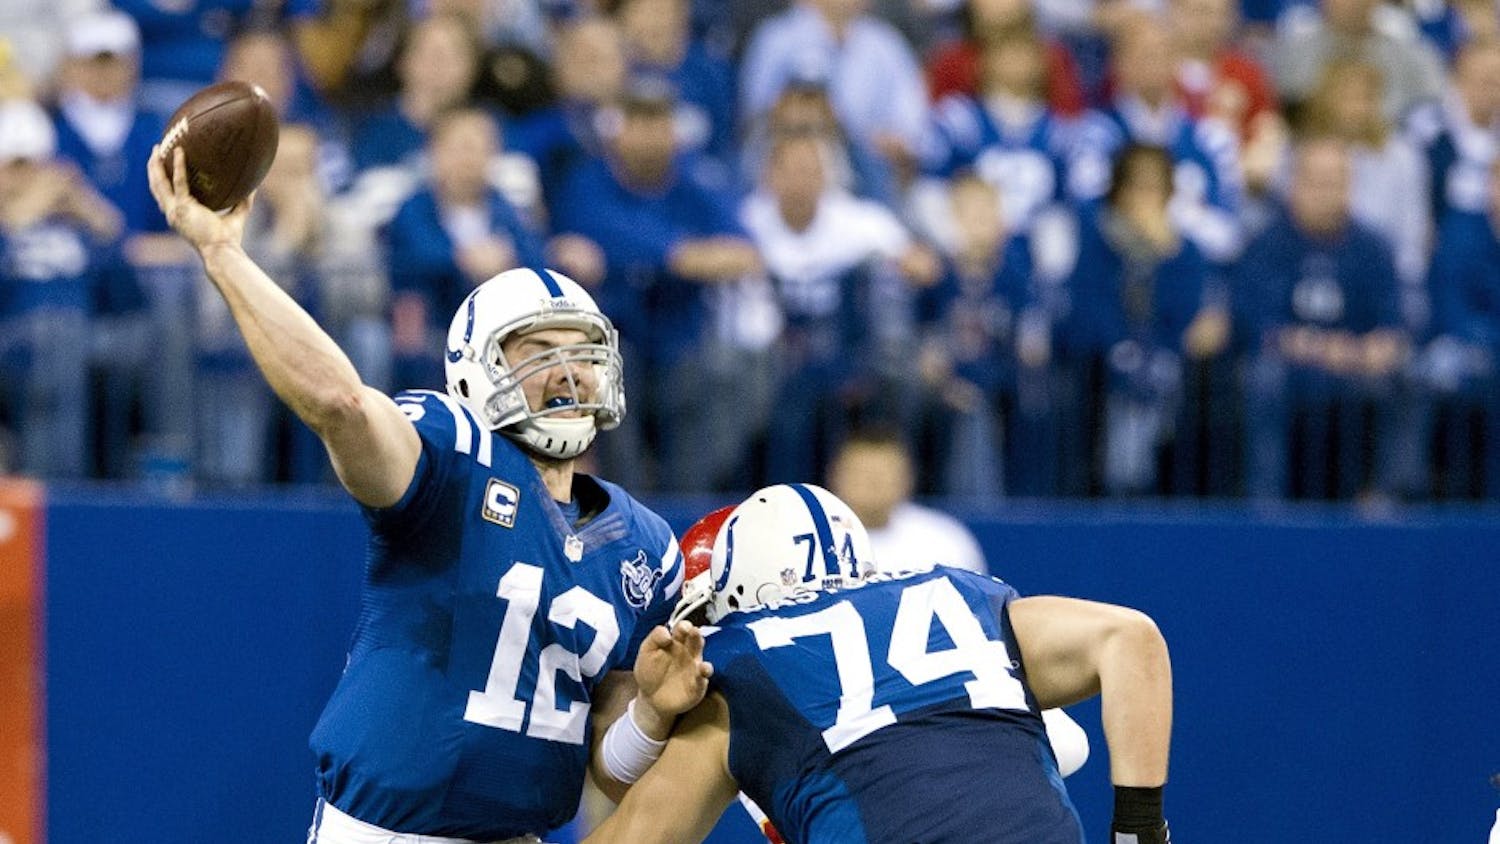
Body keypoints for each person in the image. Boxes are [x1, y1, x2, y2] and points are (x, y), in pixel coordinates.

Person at [146, 142, 713, 841]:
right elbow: (342, 405)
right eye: (538, 351)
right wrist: (223, 254)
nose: (568, 373)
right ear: (477, 370)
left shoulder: (643, 545)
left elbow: (609, 765)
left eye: (582, 351)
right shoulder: (452, 450)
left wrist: (651, 715)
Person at [585, 485, 1172, 844]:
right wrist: (1139, 832)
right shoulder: (962, 593)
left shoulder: (744, 665)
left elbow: (636, 821)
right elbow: (1130, 640)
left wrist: (651, 716)